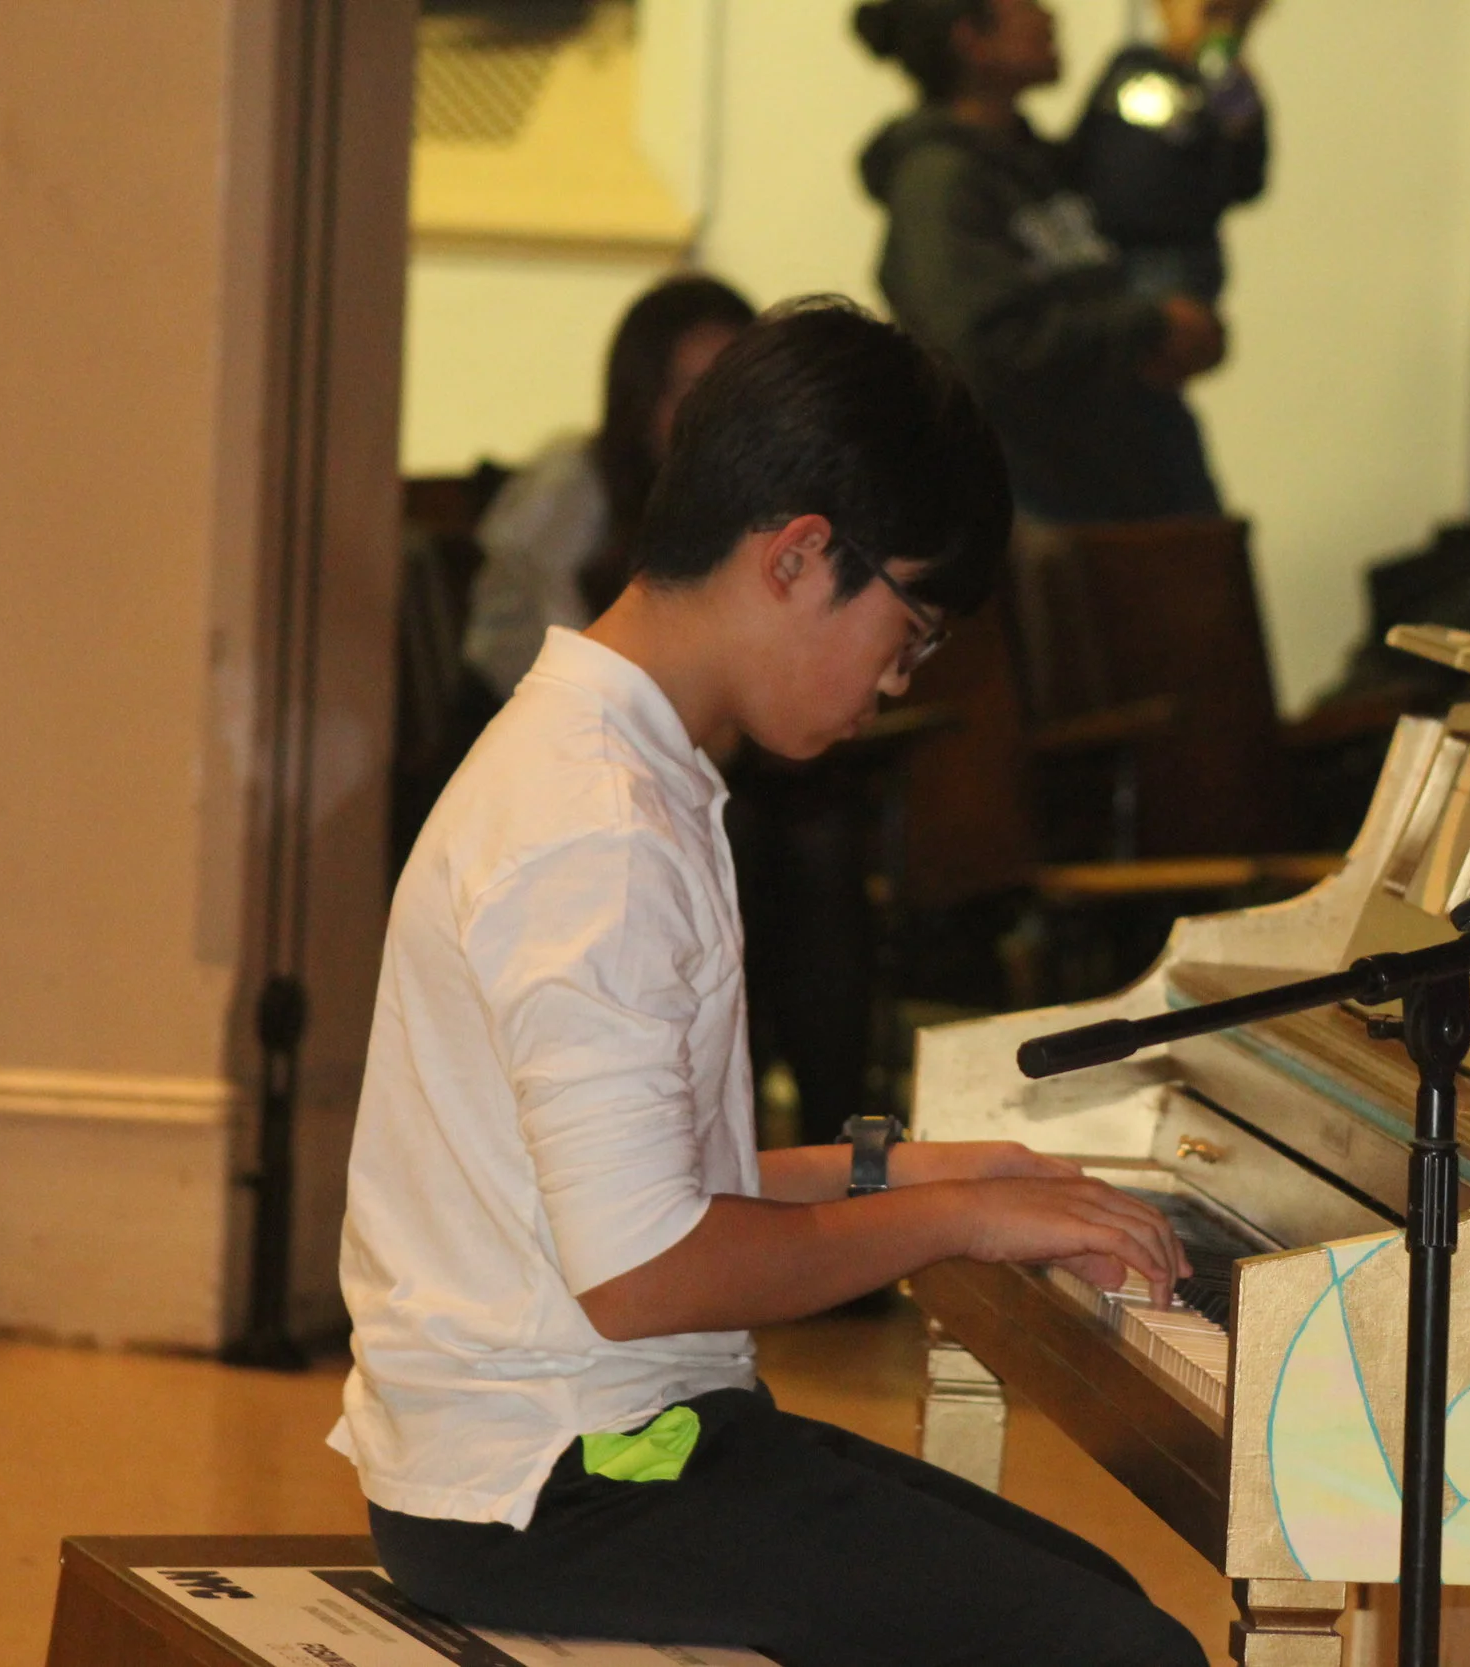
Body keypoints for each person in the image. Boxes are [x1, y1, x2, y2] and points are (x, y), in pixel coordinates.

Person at [333, 297, 1206, 1667]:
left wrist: (908, 1170)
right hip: (559, 1480)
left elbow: (650, 1185)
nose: (898, 678)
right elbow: (643, 1272)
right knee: (1116, 1652)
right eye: (909, 629)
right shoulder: (597, 826)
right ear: (799, 554)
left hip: (595, 1445)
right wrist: (956, 1218)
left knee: (1087, 1593)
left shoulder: (617, 760)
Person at [853, 0, 1227, 522]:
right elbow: (982, 347)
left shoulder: (1041, 165)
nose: (1049, 16)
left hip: (1140, 491)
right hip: (1055, 516)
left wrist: (1215, 44)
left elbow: (1222, 159)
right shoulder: (940, 184)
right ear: (972, 38)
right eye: (1025, 3)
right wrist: (1153, 326)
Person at [460, 274, 756, 701]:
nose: (718, 418)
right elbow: (541, 663)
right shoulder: (572, 486)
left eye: (737, 394)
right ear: (642, 398)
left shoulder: (760, 505)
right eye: (692, 392)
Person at [1071, 0, 1271, 307]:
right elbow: (1083, 141)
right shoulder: (1131, 64)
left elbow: (1246, 179)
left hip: (1174, 257)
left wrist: (1230, 82)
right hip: (1097, 247)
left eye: (1229, 14)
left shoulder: (1230, 89)